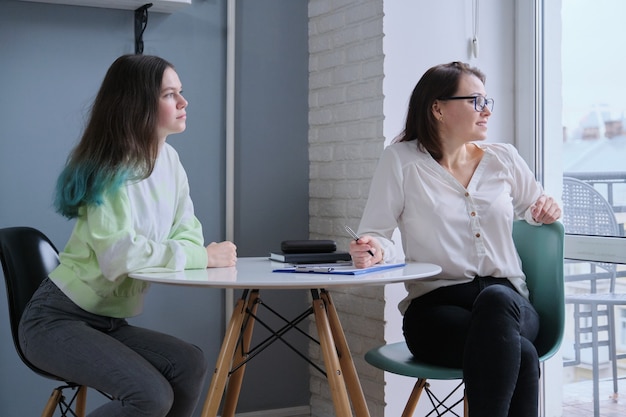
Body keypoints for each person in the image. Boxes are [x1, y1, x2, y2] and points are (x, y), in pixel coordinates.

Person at [18, 54, 237, 417]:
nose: (184, 103)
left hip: (107, 321)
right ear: (138, 104)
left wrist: (188, 251)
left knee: (189, 362)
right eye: (169, 95)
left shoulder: (170, 162)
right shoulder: (110, 169)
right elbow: (119, 255)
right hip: (55, 320)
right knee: (150, 397)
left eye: (180, 92)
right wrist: (203, 256)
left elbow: (187, 234)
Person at [349, 61, 561, 417]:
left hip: (510, 304)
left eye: (486, 100)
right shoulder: (401, 161)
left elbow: (536, 207)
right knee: (520, 352)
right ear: (438, 108)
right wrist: (372, 249)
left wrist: (547, 208)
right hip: (437, 309)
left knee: (497, 302)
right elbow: (379, 233)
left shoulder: (503, 158)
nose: (487, 110)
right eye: (476, 101)